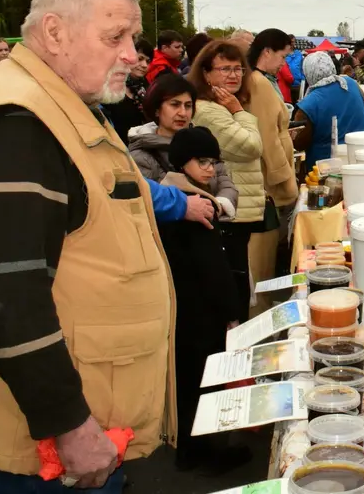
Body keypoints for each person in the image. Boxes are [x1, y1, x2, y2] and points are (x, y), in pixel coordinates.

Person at [0, 0, 174, 493]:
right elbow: (11, 297)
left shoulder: (51, 104)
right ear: (54, 33)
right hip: (50, 442)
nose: (131, 54)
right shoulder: (19, 122)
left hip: (67, 420)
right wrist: (68, 425)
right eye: (115, 36)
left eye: (134, 38)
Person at [156, 127, 247, 473]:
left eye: (214, 161)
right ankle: (206, 452)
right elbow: (214, 268)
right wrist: (231, 312)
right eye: (202, 161)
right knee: (206, 380)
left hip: (181, 306)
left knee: (187, 380)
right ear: (183, 162)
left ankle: (189, 448)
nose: (210, 169)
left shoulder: (169, 193)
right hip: (202, 310)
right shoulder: (196, 204)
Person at [188, 40, 268, 317]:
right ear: (206, 74)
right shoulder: (208, 110)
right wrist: (239, 112)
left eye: (238, 69)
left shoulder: (220, 107)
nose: (233, 75)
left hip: (239, 206)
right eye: (224, 69)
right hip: (230, 209)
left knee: (238, 279)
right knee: (234, 286)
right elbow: (251, 147)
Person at [129, 73, 238, 220]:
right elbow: (146, 202)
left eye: (188, 106)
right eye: (174, 105)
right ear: (156, 109)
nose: (183, 113)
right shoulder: (142, 153)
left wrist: (215, 207)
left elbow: (226, 183)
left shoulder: (202, 140)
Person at [247, 29, 299, 277]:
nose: (283, 63)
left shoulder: (264, 81)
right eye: (282, 56)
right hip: (270, 178)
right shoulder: (259, 84)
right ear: (266, 52)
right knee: (266, 250)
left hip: (270, 173)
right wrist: (283, 177)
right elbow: (267, 135)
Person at [293, 51, 364, 165]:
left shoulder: (308, 105)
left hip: (326, 166)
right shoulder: (351, 83)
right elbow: (363, 101)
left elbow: (300, 143)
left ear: (308, 73)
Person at [102, 37, 154, 144]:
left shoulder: (146, 87)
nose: (144, 65)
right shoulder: (109, 87)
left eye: (148, 61)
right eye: (140, 59)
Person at [284, 35, 305, 99]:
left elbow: (302, 67)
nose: (292, 43)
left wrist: (302, 78)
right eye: (290, 42)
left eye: (293, 42)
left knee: (297, 105)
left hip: (297, 84)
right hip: (286, 85)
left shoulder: (298, 54)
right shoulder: (283, 54)